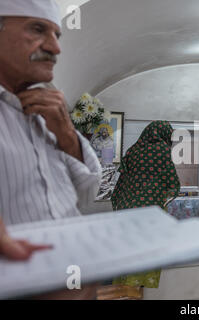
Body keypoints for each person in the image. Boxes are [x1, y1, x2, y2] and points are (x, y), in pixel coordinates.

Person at [0, 0, 102, 299]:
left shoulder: (43, 112)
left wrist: (66, 132)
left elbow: (86, 194)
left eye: (57, 35)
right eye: (37, 29)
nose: (55, 48)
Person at [107, 120, 180, 299]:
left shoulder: (132, 151)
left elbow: (121, 183)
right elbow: (172, 182)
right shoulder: (162, 151)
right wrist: (166, 193)